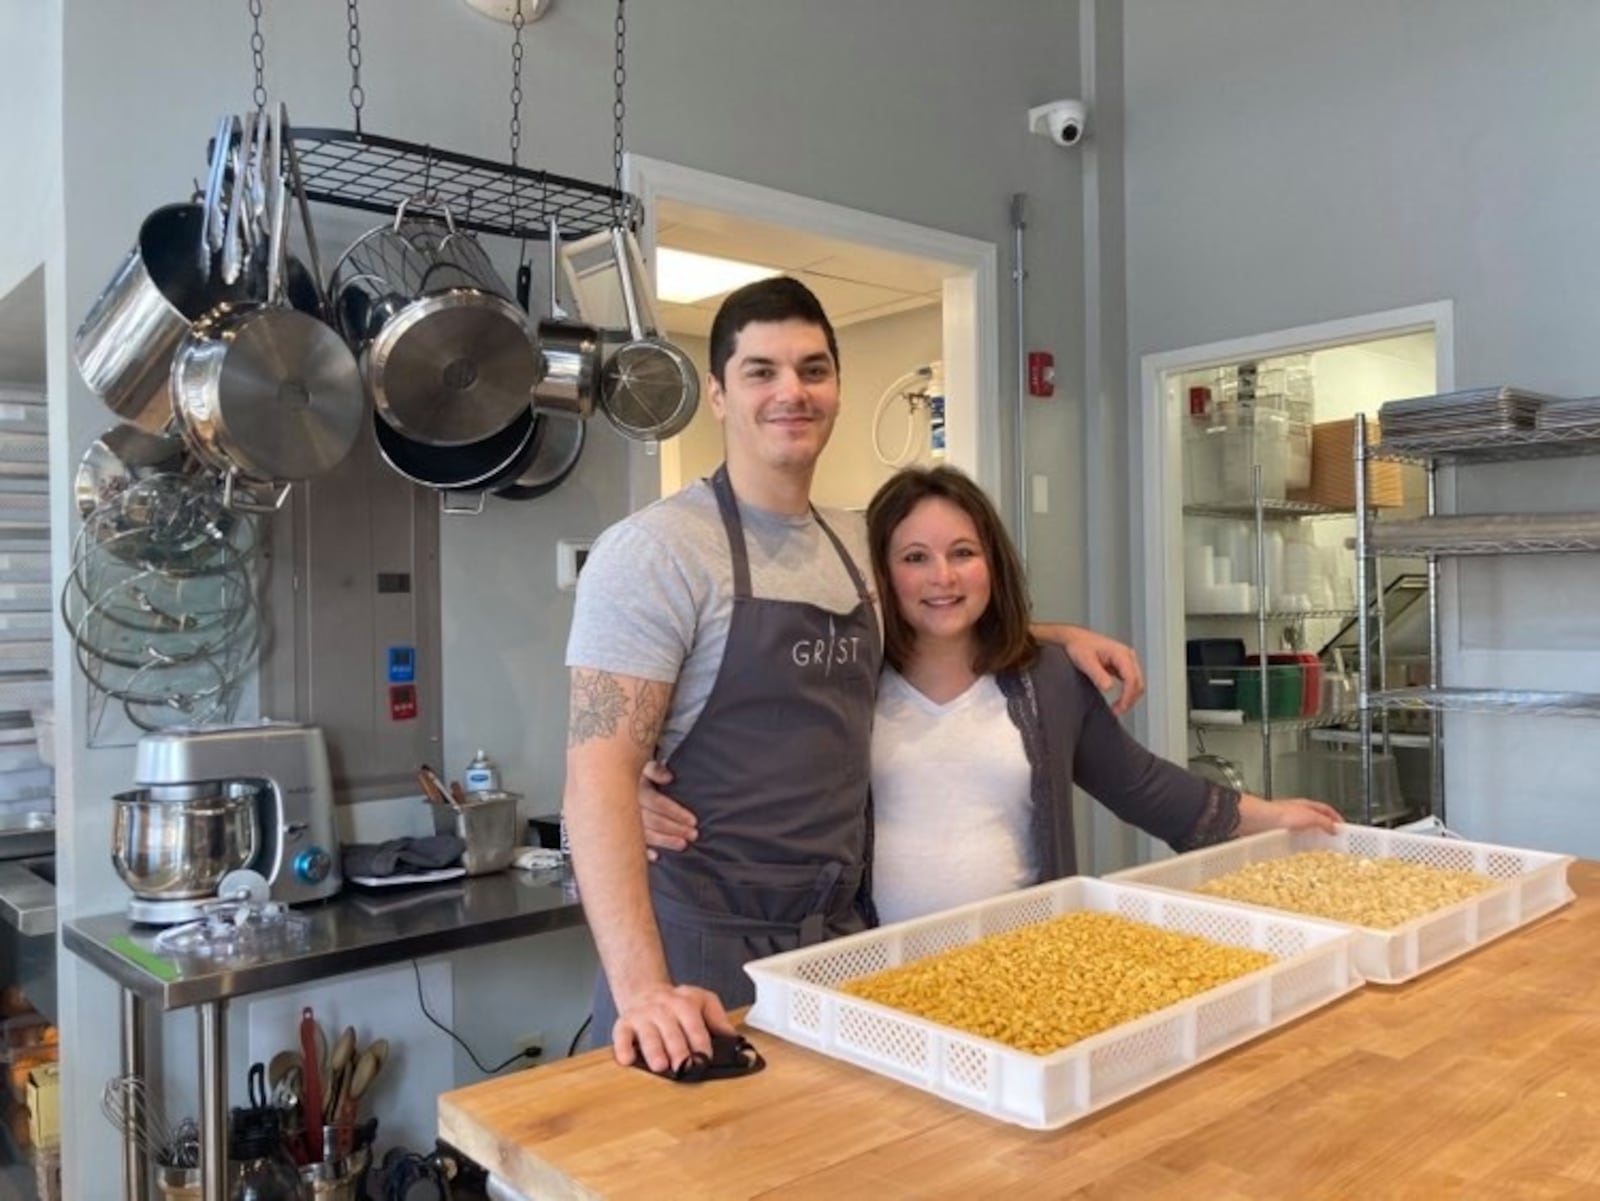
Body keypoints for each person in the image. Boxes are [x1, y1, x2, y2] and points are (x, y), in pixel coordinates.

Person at [563, 276, 1145, 1074]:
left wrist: (1054, 636)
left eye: (812, 369)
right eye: (761, 371)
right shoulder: (657, 552)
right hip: (698, 947)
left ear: (837, 388)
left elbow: (933, 616)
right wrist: (642, 991)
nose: (790, 392)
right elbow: (596, 776)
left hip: (838, 945)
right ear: (719, 395)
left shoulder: (853, 543)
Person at [642, 464, 1341, 929]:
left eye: (962, 552)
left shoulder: (1051, 680)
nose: (941, 576)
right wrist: (640, 782)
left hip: (1022, 958)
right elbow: (750, 738)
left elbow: (1142, 784)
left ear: (992, 563)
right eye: (914, 557)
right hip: (870, 966)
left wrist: (1269, 815)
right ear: (880, 573)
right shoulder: (843, 673)